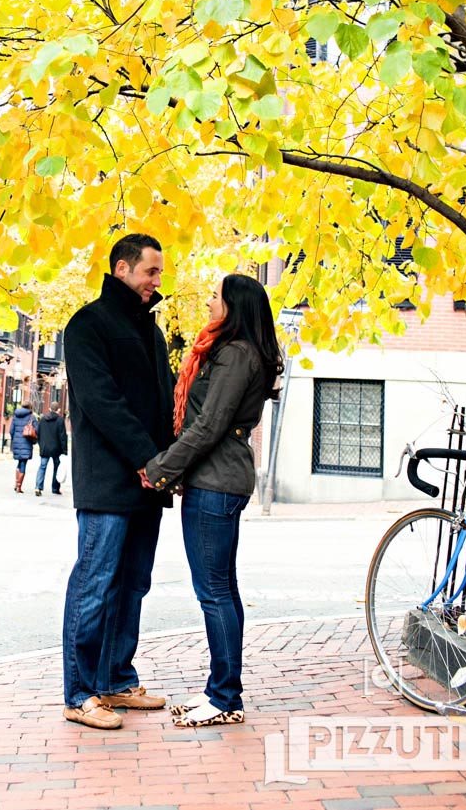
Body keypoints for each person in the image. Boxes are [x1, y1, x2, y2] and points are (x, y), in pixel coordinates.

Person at [141, 273, 283, 728]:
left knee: (215, 593)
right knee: (223, 590)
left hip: (216, 484)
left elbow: (208, 426)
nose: (208, 301)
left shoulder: (237, 355)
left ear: (235, 307)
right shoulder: (234, 351)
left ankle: (224, 697)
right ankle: (223, 692)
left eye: (216, 297)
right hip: (217, 481)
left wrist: (161, 469)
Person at [61, 233, 175, 730]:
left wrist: (168, 464)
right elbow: (102, 401)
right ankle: (80, 693)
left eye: (159, 274)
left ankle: (115, 680)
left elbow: (165, 401)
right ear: (123, 268)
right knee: (96, 583)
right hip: (108, 482)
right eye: (151, 272)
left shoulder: (150, 331)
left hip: (149, 482)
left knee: (133, 585)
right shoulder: (87, 325)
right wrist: (148, 460)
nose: (156, 282)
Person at [34, 409, 68, 496]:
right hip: (56, 449)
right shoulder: (60, 420)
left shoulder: (43, 419)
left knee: (42, 467)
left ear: (50, 409)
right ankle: (55, 488)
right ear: (58, 410)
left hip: (45, 447)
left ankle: (38, 487)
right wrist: (64, 450)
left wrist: (41, 444)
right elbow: (63, 436)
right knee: (57, 468)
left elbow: (38, 432)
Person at [10, 404, 38, 493]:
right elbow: (37, 430)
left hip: (16, 442)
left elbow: (11, 430)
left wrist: (14, 439)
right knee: (23, 463)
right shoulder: (32, 417)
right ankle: (18, 486)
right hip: (26, 442)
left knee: (19, 461)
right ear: (30, 407)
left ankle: (16, 483)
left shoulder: (15, 416)